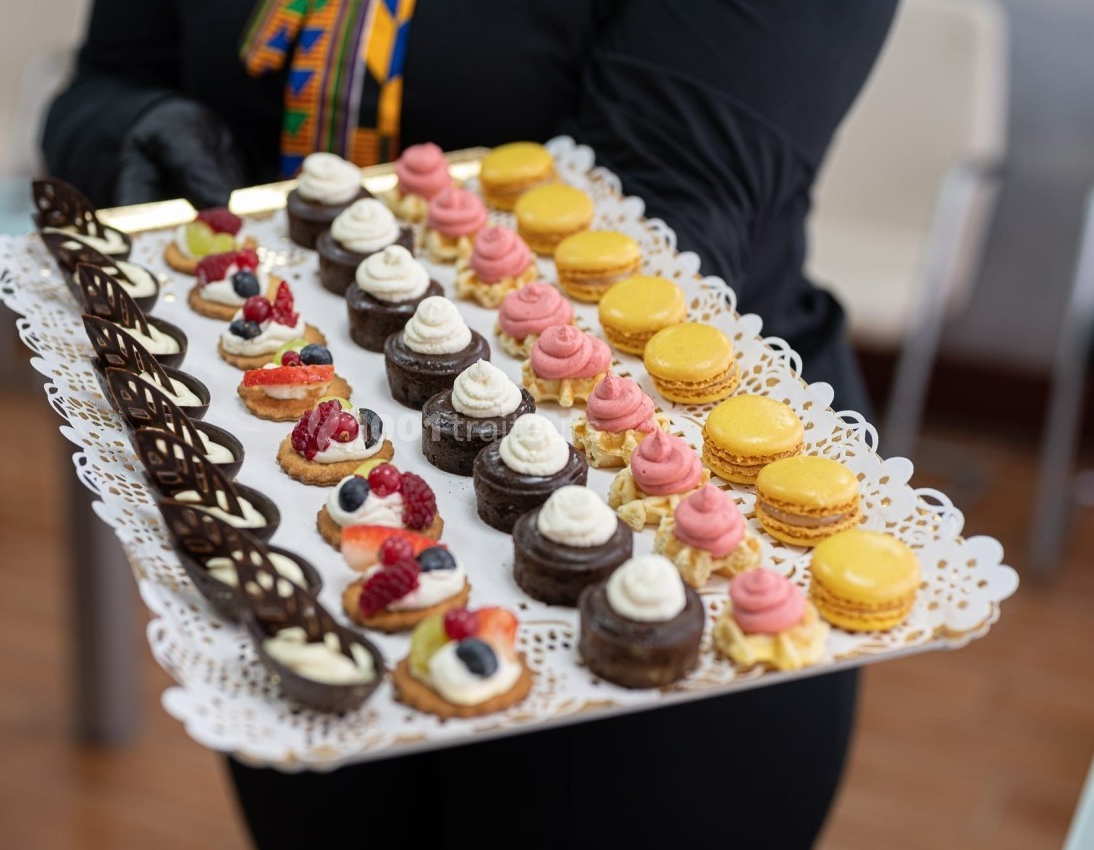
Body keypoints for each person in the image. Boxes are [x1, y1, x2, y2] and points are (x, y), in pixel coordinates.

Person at [45, 2, 895, 846]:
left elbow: (665, 206)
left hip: (663, 549)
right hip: (292, 500)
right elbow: (101, 87)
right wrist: (136, 129)